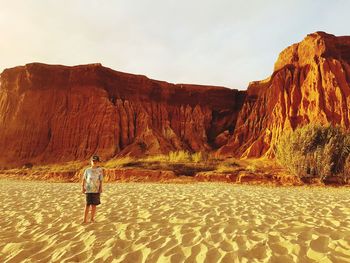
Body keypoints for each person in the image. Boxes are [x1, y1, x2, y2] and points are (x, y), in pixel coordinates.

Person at [82, 155, 103, 223]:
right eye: (93, 161)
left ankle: (92, 219)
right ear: (91, 161)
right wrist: (83, 187)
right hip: (88, 189)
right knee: (87, 204)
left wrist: (100, 188)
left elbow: (100, 180)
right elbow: (84, 179)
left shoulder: (100, 170)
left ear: (98, 162)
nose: (94, 162)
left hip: (96, 190)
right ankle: (84, 220)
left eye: (96, 161)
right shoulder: (87, 170)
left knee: (94, 205)